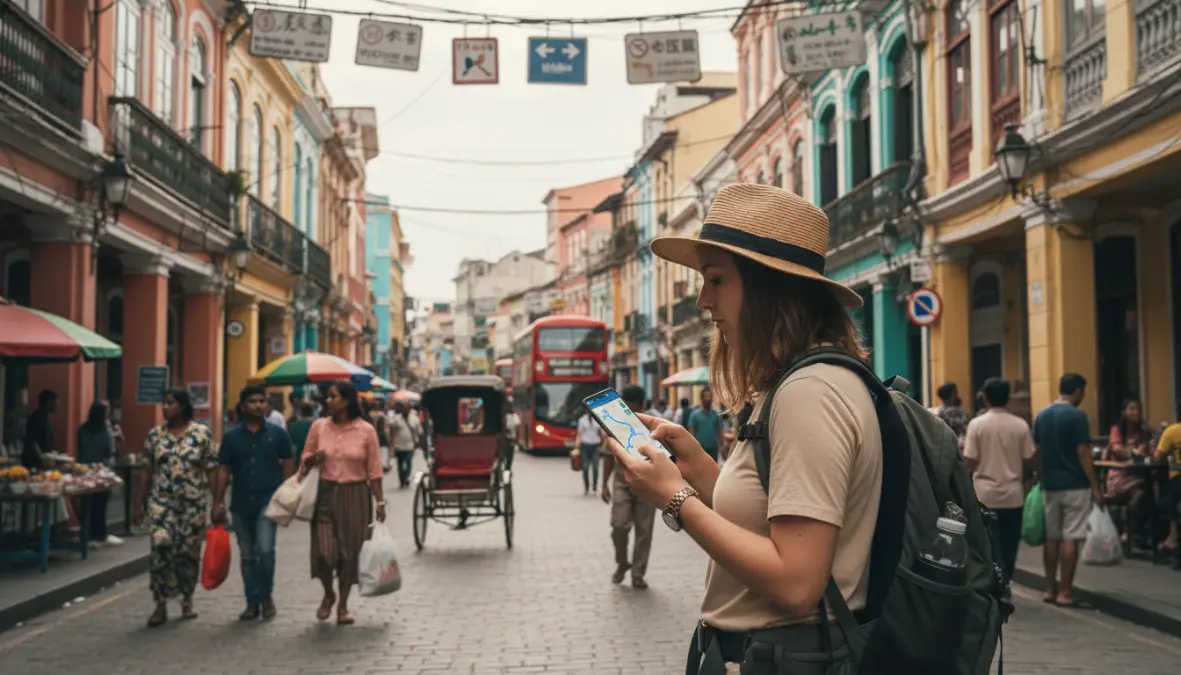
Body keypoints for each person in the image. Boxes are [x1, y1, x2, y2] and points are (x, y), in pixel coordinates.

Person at [605, 184, 882, 672]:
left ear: (769, 286)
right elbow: (773, 519)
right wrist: (700, 471)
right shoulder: (793, 383)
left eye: (716, 280)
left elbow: (796, 583)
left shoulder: (808, 393)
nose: (703, 301)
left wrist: (675, 498)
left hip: (783, 657)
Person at [300, 381, 385, 626]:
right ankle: (329, 592)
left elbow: (375, 469)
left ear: (346, 401)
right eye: (328, 397)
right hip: (324, 494)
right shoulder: (318, 428)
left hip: (355, 495)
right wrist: (313, 459)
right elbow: (304, 461)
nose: (328, 401)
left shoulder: (366, 431)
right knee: (324, 553)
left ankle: (343, 605)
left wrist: (380, 502)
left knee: (349, 553)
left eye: (333, 396)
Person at [211, 386, 295, 621]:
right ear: (243, 406)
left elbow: (288, 463)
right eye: (253, 401)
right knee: (247, 555)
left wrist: (286, 494)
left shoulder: (278, 434)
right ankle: (252, 601)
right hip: (240, 503)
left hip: (269, 501)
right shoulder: (231, 437)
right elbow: (224, 470)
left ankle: (266, 595)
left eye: (262, 401)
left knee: (265, 551)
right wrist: (217, 501)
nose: (259, 405)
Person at [141, 388, 217, 627]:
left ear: (183, 406)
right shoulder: (155, 436)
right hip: (162, 504)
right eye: (163, 403)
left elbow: (211, 469)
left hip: (193, 506)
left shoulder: (201, 434)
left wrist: (218, 502)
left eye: (170, 403)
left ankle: (186, 600)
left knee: (188, 553)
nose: (165, 408)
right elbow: (146, 470)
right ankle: (160, 604)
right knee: (160, 546)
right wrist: (138, 503)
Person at [1033, 373, 1101, 608]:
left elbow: (1037, 451)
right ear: (1078, 391)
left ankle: (1049, 589)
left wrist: (1039, 478)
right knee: (1071, 536)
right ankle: (1065, 591)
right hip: (1075, 484)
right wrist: (1095, 486)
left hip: (1049, 485)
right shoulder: (1078, 416)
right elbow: (1083, 452)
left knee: (1052, 538)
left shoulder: (1042, 415)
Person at [962, 377, 1036, 580]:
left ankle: (991, 587)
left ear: (985, 398)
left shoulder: (976, 425)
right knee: (1009, 547)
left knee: (986, 548)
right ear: (1008, 398)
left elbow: (970, 460)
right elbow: (1029, 457)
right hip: (1013, 495)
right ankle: (1006, 584)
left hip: (985, 495)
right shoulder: (1020, 425)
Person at [600, 384, 657, 589]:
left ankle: (638, 574)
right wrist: (604, 485)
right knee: (618, 526)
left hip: (648, 484)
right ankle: (622, 563)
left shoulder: (653, 427)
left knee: (644, 531)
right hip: (622, 481)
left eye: (634, 407)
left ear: (641, 405)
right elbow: (607, 456)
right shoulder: (616, 424)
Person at [1103, 399, 1154, 547]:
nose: (1136, 412)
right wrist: (1133, 453)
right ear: (1124, 413)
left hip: (1140, 475)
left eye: (1138, 409)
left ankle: (1144, 533)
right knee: (1141, 495)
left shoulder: (1144, 431)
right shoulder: (1117, 430)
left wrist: (1150, 429)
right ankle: (1131, 533)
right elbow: (1117, 449)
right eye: (1131, 409)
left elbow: (1154, 447)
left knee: (1151, 493)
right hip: (1120, 475)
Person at [76, 400, 124, 548]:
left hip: (85, 468)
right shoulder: (105, 429)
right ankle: (99, 534)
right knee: (100, 502)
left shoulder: (83, 429)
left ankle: (87, 534)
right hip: (102, 469)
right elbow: (110, 449)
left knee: (87, 503)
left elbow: (80, 448)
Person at [1154, 421, 1181, 552]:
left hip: (1178, 478)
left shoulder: (1172, 431)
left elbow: (1158, 458)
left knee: (1167, 499)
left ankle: (1173, 537)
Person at [389, 400, 422, 488]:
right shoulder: (397, 419)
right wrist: (392, 442)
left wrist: (419, 442)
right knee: (400, 464)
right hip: (399, 446)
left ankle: (406, 477)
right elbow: (392, 430)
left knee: (408, 462)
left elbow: (419, 431)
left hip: (410, 445)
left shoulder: (414, 419)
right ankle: (402, 479)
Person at [23, 389, 57, 469]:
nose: (57, 405)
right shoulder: (36, 418)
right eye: (54, 402)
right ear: (47, 402)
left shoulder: (45, 418)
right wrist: (41, 458)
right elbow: (32, 441)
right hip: (34, 463)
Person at [687, 390, 724, 463]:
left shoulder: (716, 414)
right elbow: (691, 433)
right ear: (702, 398)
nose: (707, 399)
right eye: (705, 396)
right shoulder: (694, 415)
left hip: (713, 448)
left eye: (709, 396)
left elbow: (720, 431)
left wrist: (722, 447)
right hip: (700, 449)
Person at [933, 382, 969, 453]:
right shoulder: (959, 412)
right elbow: (965, 428)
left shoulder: (939, 412)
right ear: (952, 394)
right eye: (955, 392)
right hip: (960, 448)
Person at [576, 409, 603, 494]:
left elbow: (602, 433)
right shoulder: (582, 420)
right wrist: (577, 445)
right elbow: (579, 433)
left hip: (596, 445)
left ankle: (595, 485)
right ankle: (586, 486)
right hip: (585, 445)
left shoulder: (598, 419)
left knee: (595, 467)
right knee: (585, 467)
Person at [369, 399, 392, 473]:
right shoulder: (381, 414)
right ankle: (382, 465)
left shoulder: (370, 414)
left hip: (372, 434)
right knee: (382, 450)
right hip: (380, 434)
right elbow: (386, 425)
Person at [504, 400, 521, 470]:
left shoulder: (503, 416)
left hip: (505, 441)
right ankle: (507, 472)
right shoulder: (515, 416)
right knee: (509, 460)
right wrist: (517, 442)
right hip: (509, 440)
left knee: (505, 459)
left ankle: (505, 472)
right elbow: (517, 430)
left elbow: (517, 430)